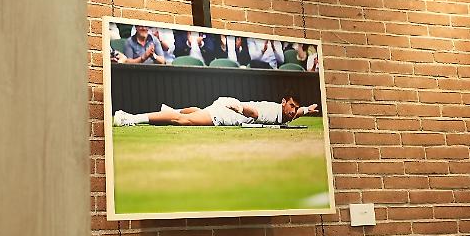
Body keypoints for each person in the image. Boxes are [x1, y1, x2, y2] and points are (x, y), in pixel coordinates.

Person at [113, 92, 319, 128]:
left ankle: (171, 109)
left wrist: (308, 109)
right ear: (283, 102)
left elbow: (299, 113)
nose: (293, 111)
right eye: (291, 106)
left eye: (296, 108)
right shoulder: (273, 112)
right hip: (226, 113)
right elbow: (255, 113)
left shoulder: (289, 113)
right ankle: (129, 118)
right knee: (180, 121)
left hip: (226, 106)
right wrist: (240, 107)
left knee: (194, 112)